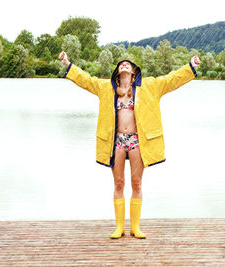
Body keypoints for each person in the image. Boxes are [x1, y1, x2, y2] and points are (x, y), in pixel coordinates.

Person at [59, 50, 200, 239]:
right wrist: (68, 64)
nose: (124, 64)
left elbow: (171, 80)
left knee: (136, 182)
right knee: (118, 183)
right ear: (117, 71)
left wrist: (190, 66)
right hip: (116, 141)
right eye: (121, 64)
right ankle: (119, 227)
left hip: (137, 140)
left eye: (128, 64)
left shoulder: (150, 86)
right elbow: (86, 80)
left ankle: (135, 227)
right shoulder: (105, 88)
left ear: (134, 72)